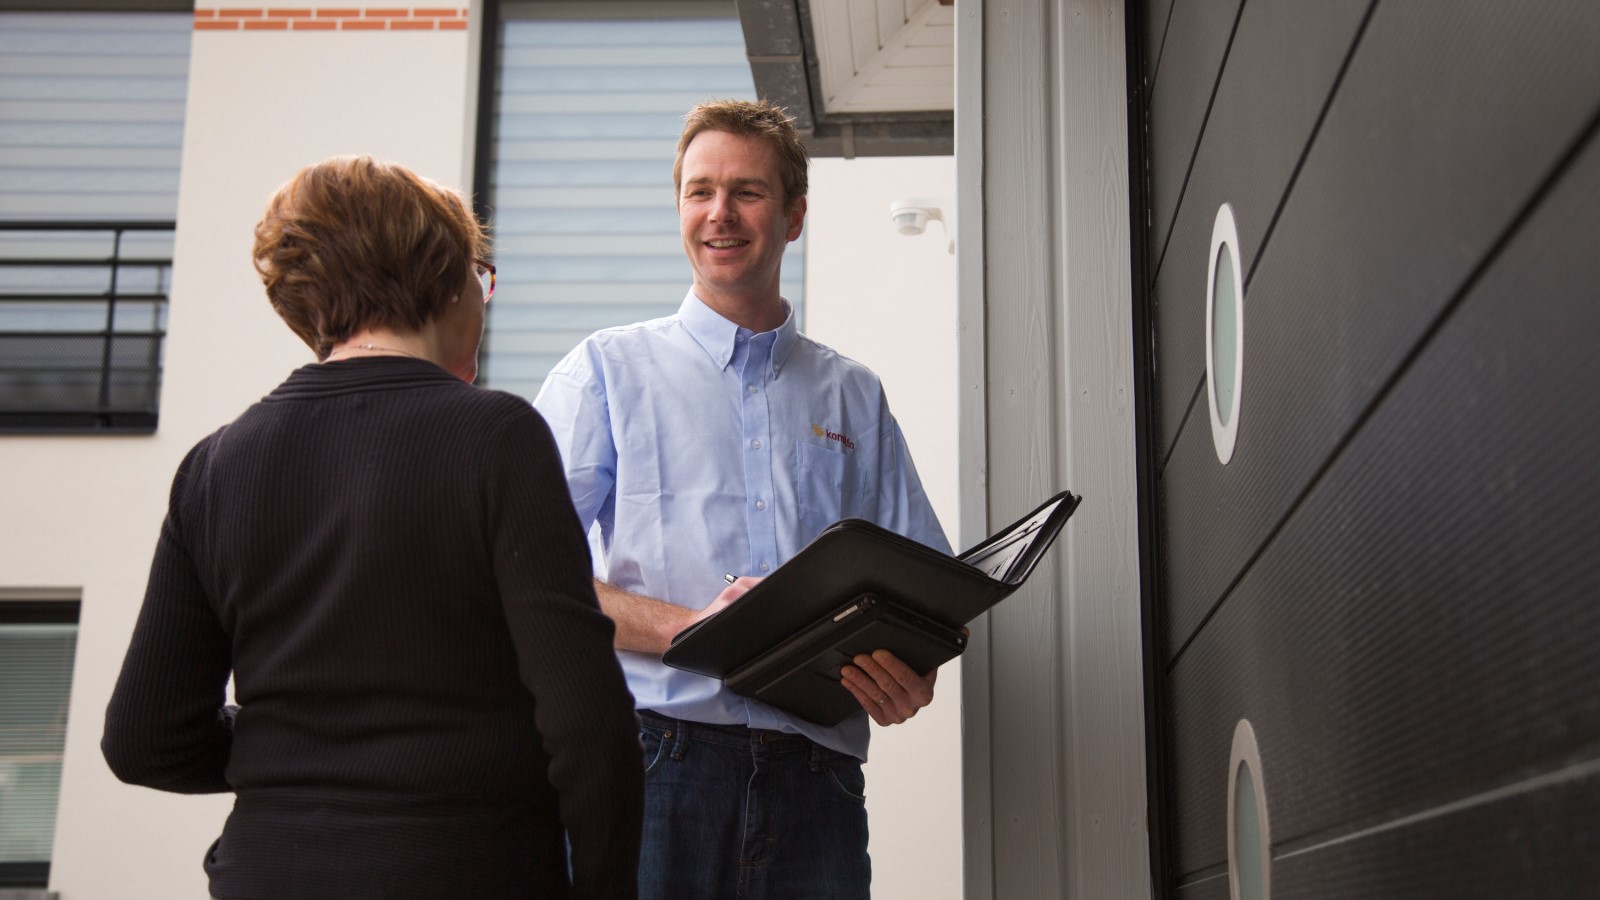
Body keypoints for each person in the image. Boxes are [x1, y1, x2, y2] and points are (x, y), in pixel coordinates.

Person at [101, 155, 642, 900]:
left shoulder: (215, 465)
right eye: (481, 278)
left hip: (265, 873)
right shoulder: (496, 437)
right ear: (447, 278)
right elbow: (591, 729)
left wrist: (292, 752)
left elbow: (143, 739)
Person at [533, 99, 951, 899]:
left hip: (817, 777)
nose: (719, 214)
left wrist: (908, 668)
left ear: (794, 216)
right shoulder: (604, 374)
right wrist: (689, 629)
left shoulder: (855, 396)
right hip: (657, 767)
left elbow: (922, 586)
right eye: (699, 191)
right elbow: (526, 576)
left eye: (748, 192)